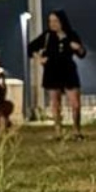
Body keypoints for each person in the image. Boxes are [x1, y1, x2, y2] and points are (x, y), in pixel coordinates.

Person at [28, 9, 87, 140]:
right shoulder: (47, 36)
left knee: (75, 103)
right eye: (50, 21)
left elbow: (82, 54)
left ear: (62, 21)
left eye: (55, 21)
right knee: (55, 103)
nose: (52, 24)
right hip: (52, 71)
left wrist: (78, 48)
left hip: (68, 71)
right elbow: (30, 48)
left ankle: (76, 130)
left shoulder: (71, 35)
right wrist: (39, 58)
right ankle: (58, 130)